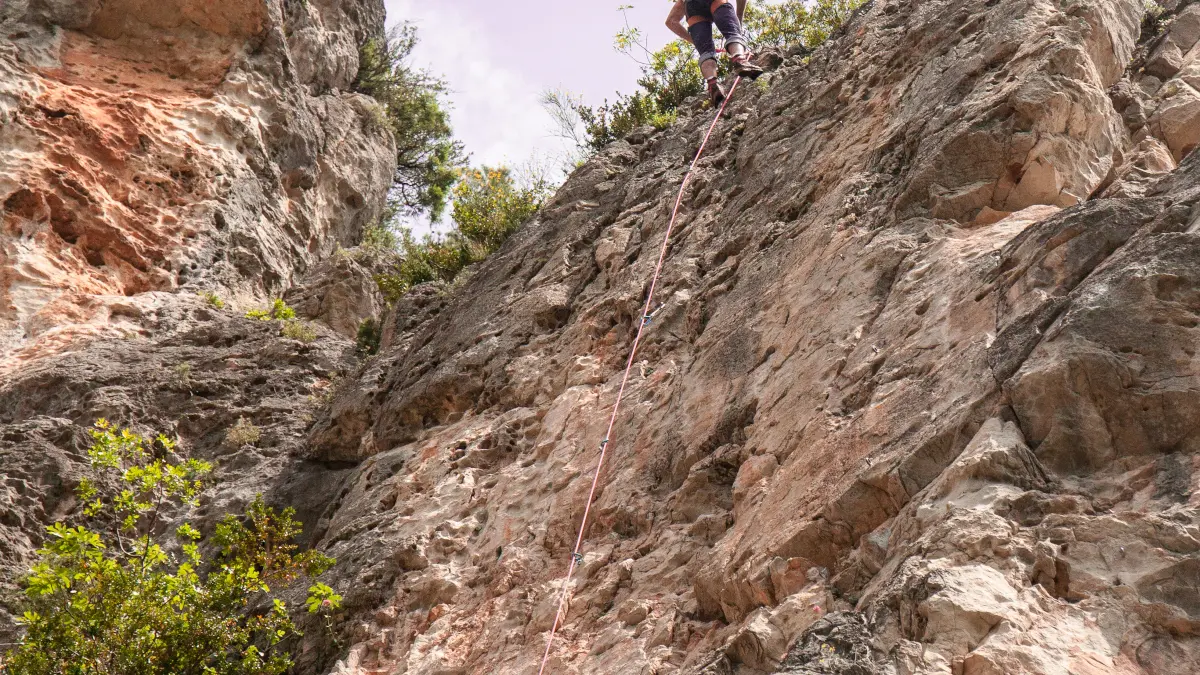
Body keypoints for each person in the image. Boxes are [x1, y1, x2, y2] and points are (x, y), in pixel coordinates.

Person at [666, 0, 764, 106]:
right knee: (732, 33)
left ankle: (712, 84)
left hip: (690, 5)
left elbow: (671, 21)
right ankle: (740, 59)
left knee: (706, 52)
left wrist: (694, 41)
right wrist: (738, 18)